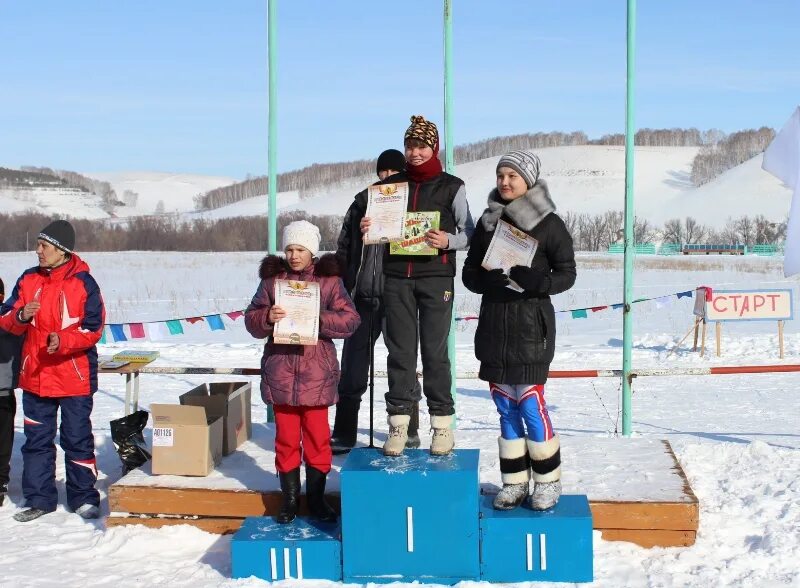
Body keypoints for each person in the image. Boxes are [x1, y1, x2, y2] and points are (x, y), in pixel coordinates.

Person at [462, 150, 576, 511]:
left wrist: (539, 282)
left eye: (513, 176)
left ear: (529, 180)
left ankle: (547, 482)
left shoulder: (549, 223)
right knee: (505, 408)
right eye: (501, 176)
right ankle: (513, 482)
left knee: (530, 405)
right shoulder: (487, 223)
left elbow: (567, 272)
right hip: (495, 327)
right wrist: (486, 280)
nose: (505, 182)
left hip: (531, 329)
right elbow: (469, 274)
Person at [361, 115, 475, 457]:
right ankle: (399, 425)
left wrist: (448, 240)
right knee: (400, 354)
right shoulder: (390, 187)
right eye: (410, 146)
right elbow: (374, 229)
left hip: (436, 277)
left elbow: (469, 232)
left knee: (435, 354)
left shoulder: (452, 186)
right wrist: (368, 226)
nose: (414, 153)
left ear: (434, 148)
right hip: (396, 278)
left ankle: (442, 425)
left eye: (421, 146)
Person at [245, 220, 360, 524]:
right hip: (281, 371)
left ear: (312, 251)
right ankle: (291, 499)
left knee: (318, 439)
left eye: (301, 249)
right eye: (290, 249)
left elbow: (350, 320)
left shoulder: (329, 282)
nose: (294, 255)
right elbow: (251, 319)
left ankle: (317, 498)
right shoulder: (272, 282)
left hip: (316, 375)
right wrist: (267, 316)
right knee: (285, 439)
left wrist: (318, 318)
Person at [0, 220, 105, 521]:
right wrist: (20, 315)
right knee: (36, 442)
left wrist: (63, 340)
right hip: (35, 377)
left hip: (73, 378)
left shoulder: (85, 283)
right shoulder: (28, 279)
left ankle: (84, 497)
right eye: (38, 245)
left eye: (44, 246)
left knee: (77, 438)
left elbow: (93, 328)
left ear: (61, 250)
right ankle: (39, 498)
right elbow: (5, 315)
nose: (38, 251)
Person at [331, 148, 422, 455]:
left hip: (399, 296)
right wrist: (344, 287)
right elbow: (343, 249)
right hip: (361, 297)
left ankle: (409, 429)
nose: (386, 177)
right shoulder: (361, 203)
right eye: (382, 172)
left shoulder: (413, 202)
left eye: (393, 172)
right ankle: (344, 430)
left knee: (403, 363)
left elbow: (421, 244)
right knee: (353, 365)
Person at [0, 277, 23, 507]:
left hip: (4, 391)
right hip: (5, 390)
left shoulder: (10, 319)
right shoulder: (12, 318)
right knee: (3, 441)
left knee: (3, 440)